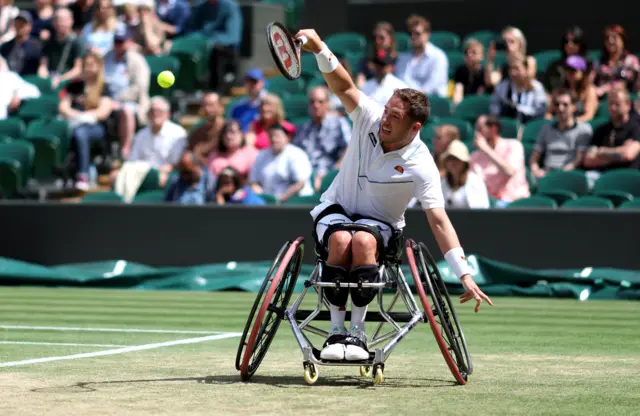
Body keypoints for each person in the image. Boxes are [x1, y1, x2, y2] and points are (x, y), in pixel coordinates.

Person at [293, 28, 493, 362]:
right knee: (341, 240)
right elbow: (342, 85)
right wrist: (320, 48)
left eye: (395, 117)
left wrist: (464, 273)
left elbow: (439, 221)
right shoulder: (371, 116)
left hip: (380, 225)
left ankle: (357, 334)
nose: (385, 118)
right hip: (337, 209)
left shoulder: (422, 164)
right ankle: (335, 331)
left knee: (362, 243)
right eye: (386, 110)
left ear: (414, 127)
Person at [58, 51, 113, 190]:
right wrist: (76, 115)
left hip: (96, 127)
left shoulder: (103, 87)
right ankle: (59, 174)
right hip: (74, 122)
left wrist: (86, 116)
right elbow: (63, 107)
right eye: (85, 65)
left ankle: (82, 175)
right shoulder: (75, 85)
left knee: (80, 133)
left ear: (98, 67)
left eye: (91, 65)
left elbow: (104, 111)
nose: (87, 68)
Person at [530, 88, 592, 178]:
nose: (560, 108)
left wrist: (559, 175)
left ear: (574, 106)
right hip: (546, 173)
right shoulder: (546, 128)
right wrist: (536, 170)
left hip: (568, 175)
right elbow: (534, 158)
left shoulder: (583, 129)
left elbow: (578, 161)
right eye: (557, 104)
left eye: (565, 105)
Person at [440, 140, 490, 209]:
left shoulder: (475, 182)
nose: (453, 163)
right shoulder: (442, 183)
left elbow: (479, 213)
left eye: (456, 159)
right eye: (449, 159)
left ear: (464, 163)